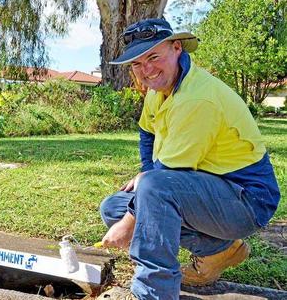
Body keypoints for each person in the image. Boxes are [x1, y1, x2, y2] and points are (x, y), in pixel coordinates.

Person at [97, 19, 280, 300]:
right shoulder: (158, 92)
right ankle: (219, 251)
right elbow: (147, 133)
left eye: (153, 57)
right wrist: (146, 175)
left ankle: (154, 291)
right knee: (113, 208)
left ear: (177, 48)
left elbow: (164, 180)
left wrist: (139, 205)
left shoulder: (196, 99)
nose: (146, 70)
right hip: (206, 187)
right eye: (137, 63)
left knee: (150, 195)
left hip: (247, 199)